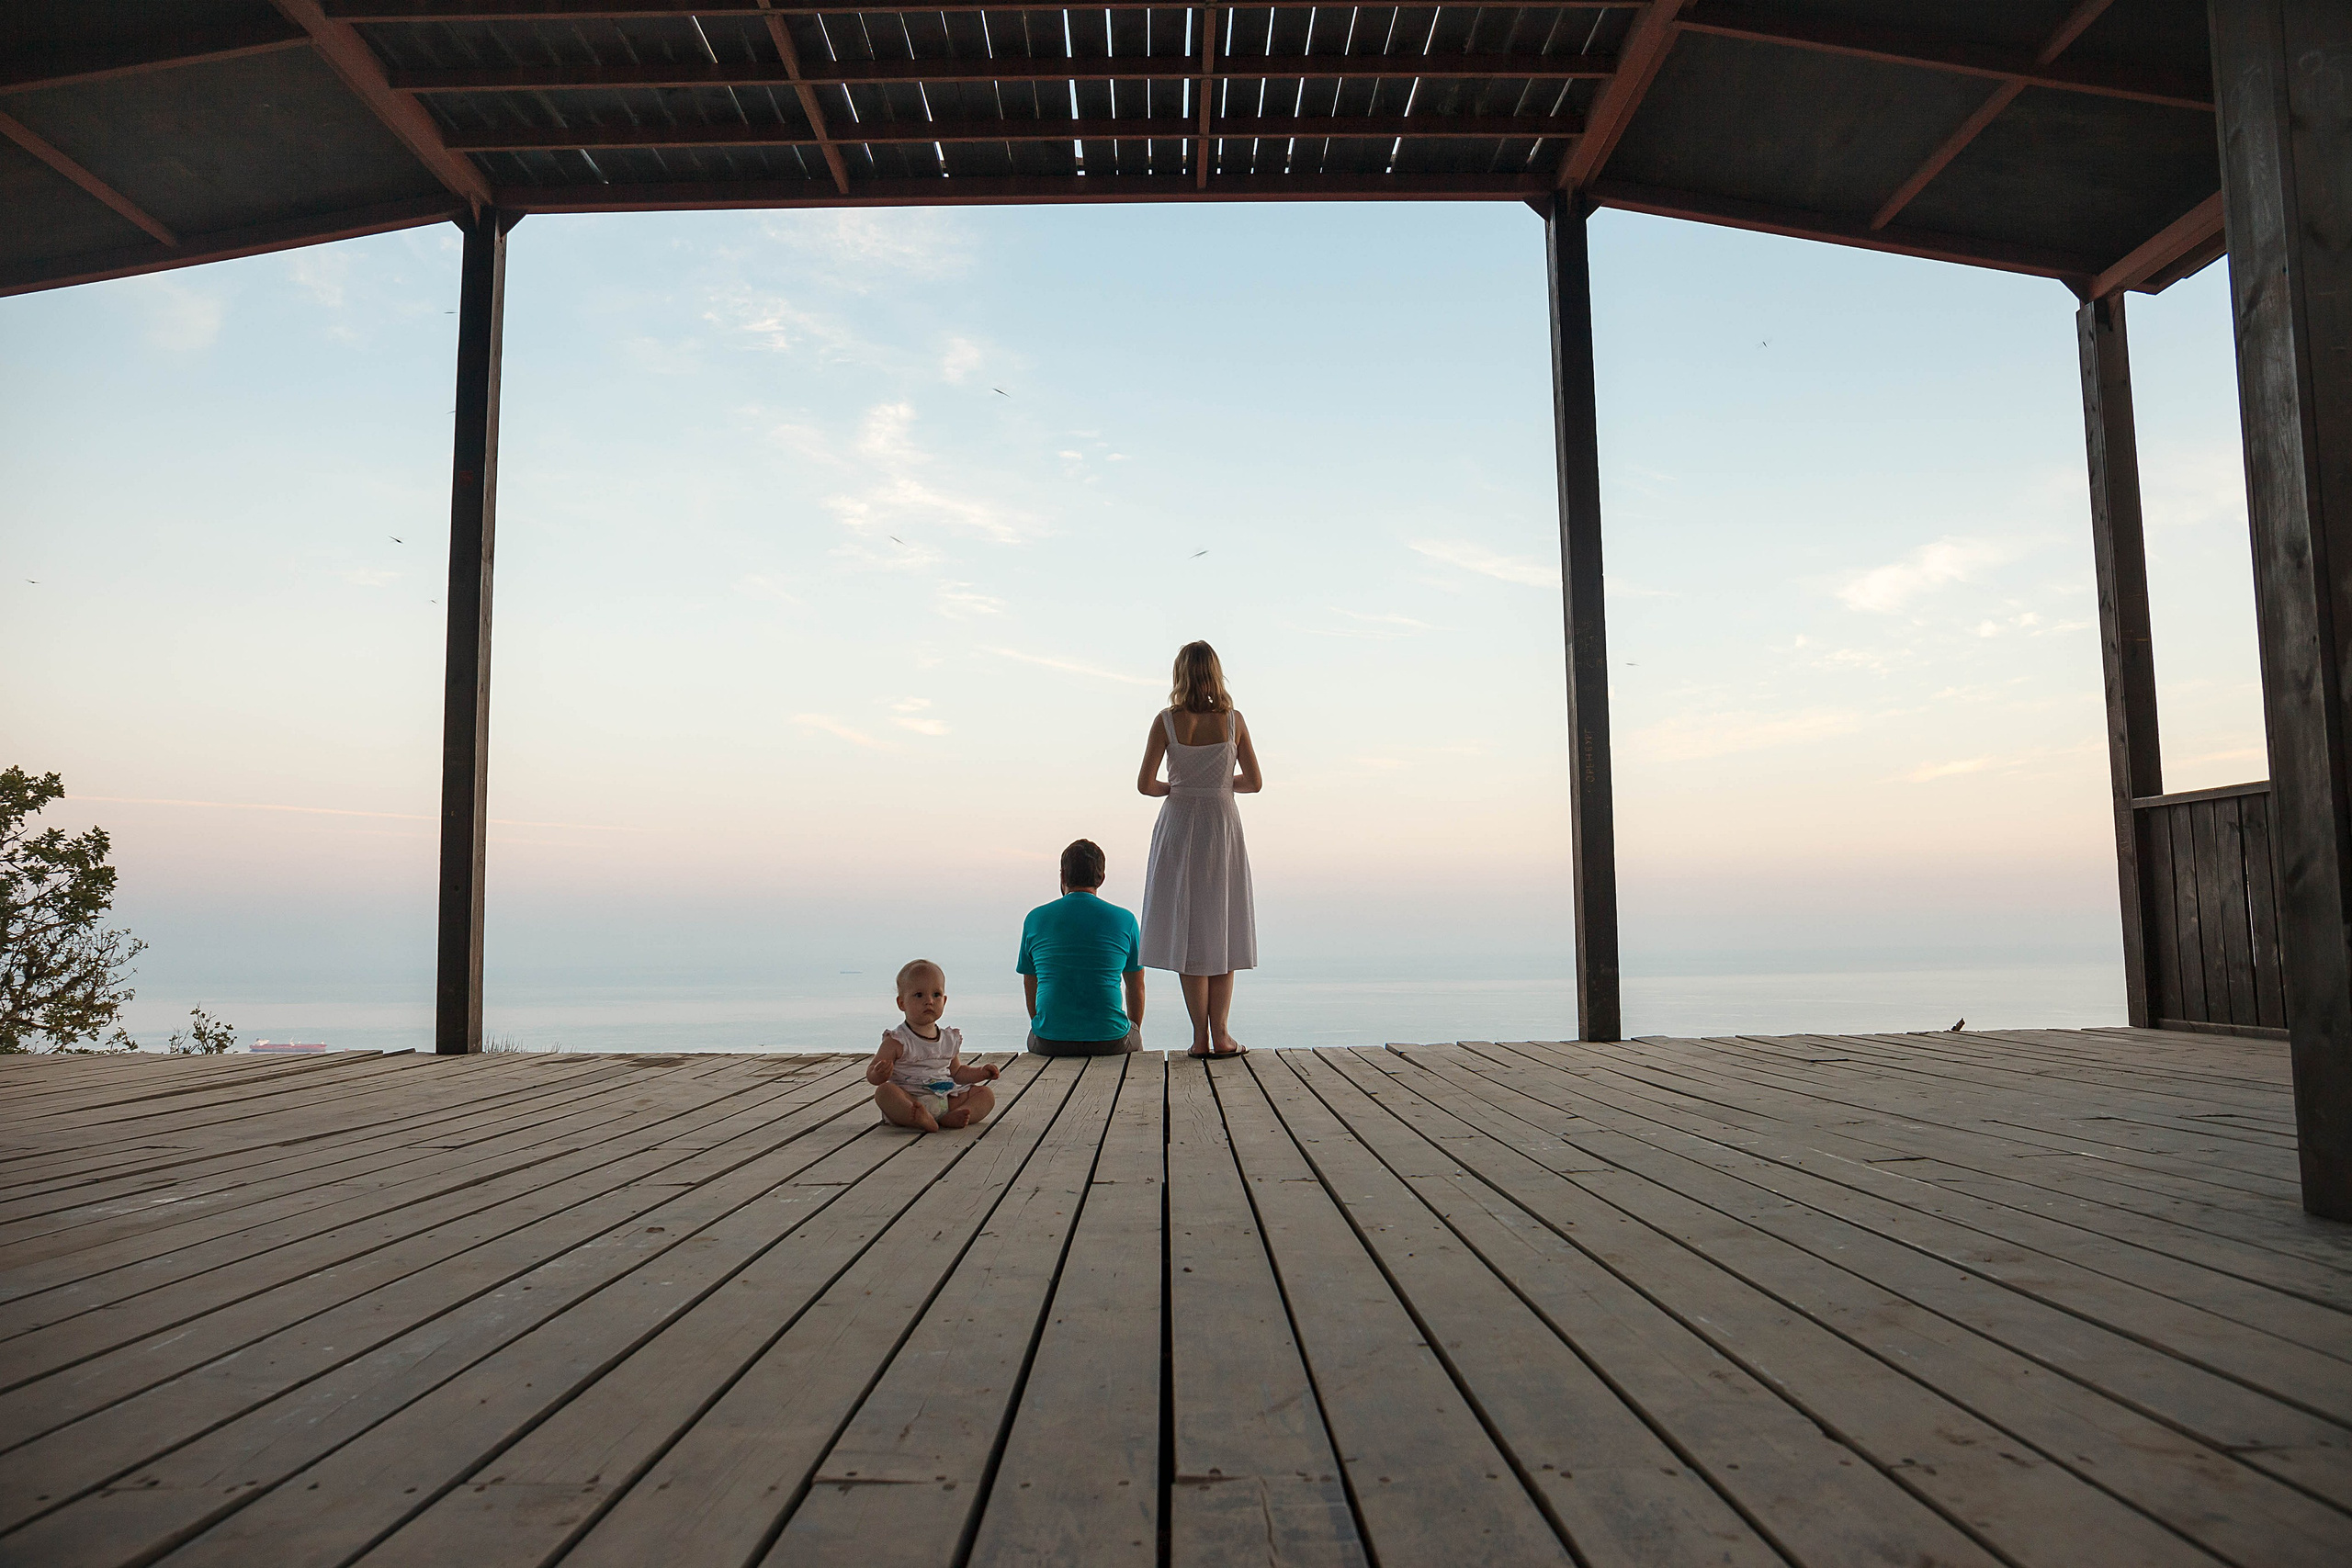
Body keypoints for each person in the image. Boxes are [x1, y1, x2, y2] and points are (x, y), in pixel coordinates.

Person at [1136, 640, 1260, 1057]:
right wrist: (1219, 785)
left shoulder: (1166, 721)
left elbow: (1146, 785)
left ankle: (1199, 1040)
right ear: (1216, 672)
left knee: (1189, 933)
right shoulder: (1233, 721)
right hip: (1220, 824)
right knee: (1222, 927)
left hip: (1179, 824)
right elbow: (1255, 781)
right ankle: (1223, 1036)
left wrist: (1180, 788)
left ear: (1180, 674)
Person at [1017, 839, 1147, 1055]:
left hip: (1050, 1041)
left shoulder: (1035, 919)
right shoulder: (1125, 920)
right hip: (1111, 1041)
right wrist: (1132, 1029)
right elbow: (1136, 986)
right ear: (1102, 878)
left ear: (1063, 876)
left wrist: (1044, 1026)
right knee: (1134, 1039)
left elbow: (1031, 981)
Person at [867, 959, 999, 1132]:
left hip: (946, 1097)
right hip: (912, 1100)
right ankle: (918, 1118)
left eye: (936, 995)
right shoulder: (897, 1040)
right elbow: (871, 1074)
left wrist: (980, 1073)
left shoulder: (949, 1039)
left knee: (986, 1095)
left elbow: (957, 1073)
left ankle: (956, 1114)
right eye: (919, 995)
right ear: (902, 1003)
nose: (929, 1001)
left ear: (944, 1000)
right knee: (884, 1092)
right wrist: (878, 1073)